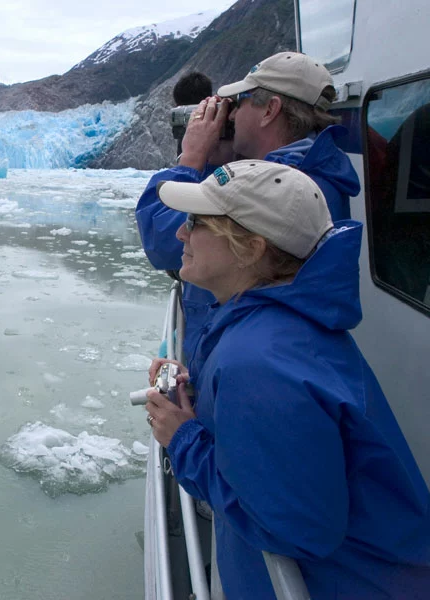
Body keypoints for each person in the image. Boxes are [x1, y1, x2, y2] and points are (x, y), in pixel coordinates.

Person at [144, 160, 430, 599]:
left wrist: (183, 441)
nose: (180, 233)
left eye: (197, 222)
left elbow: (297, 531)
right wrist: (198, 397)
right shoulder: (273, 326)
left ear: (251, 247)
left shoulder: (260, 363)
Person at [136, 52, 361, 361]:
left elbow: (163, 241)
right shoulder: (308, 170)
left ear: (270, 110)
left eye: (240, 103)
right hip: (230, 344)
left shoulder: (283, 190)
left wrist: (190, 157)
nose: (229, 117)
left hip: (237, 354)